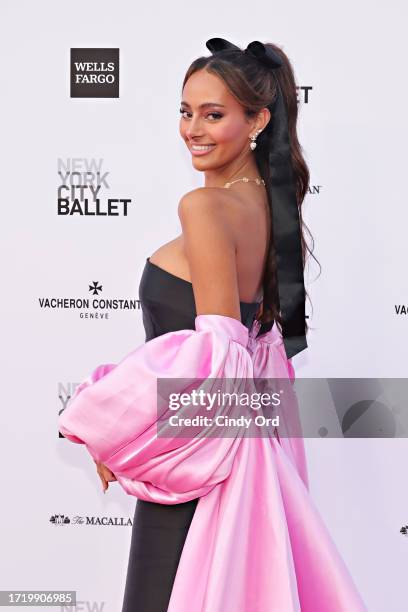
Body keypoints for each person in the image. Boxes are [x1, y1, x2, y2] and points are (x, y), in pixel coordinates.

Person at [59, 39, 367, 611]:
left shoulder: (204, 208)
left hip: (195, 468)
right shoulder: (270, 208)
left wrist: (103, 422)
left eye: (213, 114)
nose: (192, 129)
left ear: (259, 120)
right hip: (234, 457)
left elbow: (212, 357)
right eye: (186, 111)